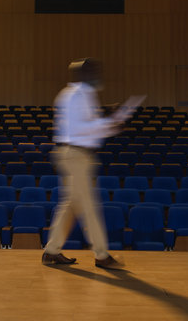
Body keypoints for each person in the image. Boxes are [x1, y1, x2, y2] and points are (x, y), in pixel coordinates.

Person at [42, 58, 125, 269]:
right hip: (75, 155)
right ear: (84, 74)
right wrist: (108, 122)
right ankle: (101, 255)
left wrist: (108, 120)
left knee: (70, 205)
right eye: (93, 71)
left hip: (78, 154)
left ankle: (51, 251)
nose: (98, 75)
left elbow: (88, 126)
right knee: (88, 205)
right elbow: (80, 129)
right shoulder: (76, 96)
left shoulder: (82, 95)